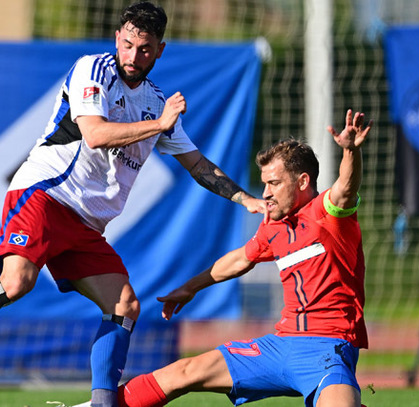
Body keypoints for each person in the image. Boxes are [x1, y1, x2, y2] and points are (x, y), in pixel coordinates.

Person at [0, 2, 267, 406]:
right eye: (127, 44)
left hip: (87, 224)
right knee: (17, 281)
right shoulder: (93, 70)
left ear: (159, 50)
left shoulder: (155, 101)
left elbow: (197, 164)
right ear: (117, 39)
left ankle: (102, 403)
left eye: (144, 49)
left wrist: (244, 197)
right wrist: (160, 125)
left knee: (125, 305)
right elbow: (94, 134)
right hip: (46, 192)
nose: (132, 56)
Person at [75, 110, 372, 407]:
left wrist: (350, 151)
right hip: (281, 346)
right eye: (264, 183)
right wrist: (191, 287)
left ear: (303, 181)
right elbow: (241, 259)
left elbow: (346, 188)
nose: (265, 193)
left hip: (327, 350)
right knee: (185, 371)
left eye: (274, 183)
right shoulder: (274, 225)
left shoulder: (328, 214)